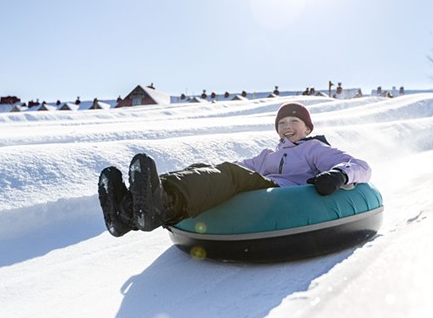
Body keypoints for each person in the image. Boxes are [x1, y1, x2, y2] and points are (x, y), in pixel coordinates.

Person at [98, 102, 372, 237]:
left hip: (283, 194)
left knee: (231, 175)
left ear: (308, 128)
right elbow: (237, 168)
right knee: (210, 170)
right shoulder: (269, 154)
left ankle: (161, 201)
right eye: (282, 122)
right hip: (260, 188)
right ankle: (128, 210)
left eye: (294, 121)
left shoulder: (314, 149)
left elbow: (361, 166)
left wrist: (338, 175)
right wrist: (204, 169)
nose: (287, 126)